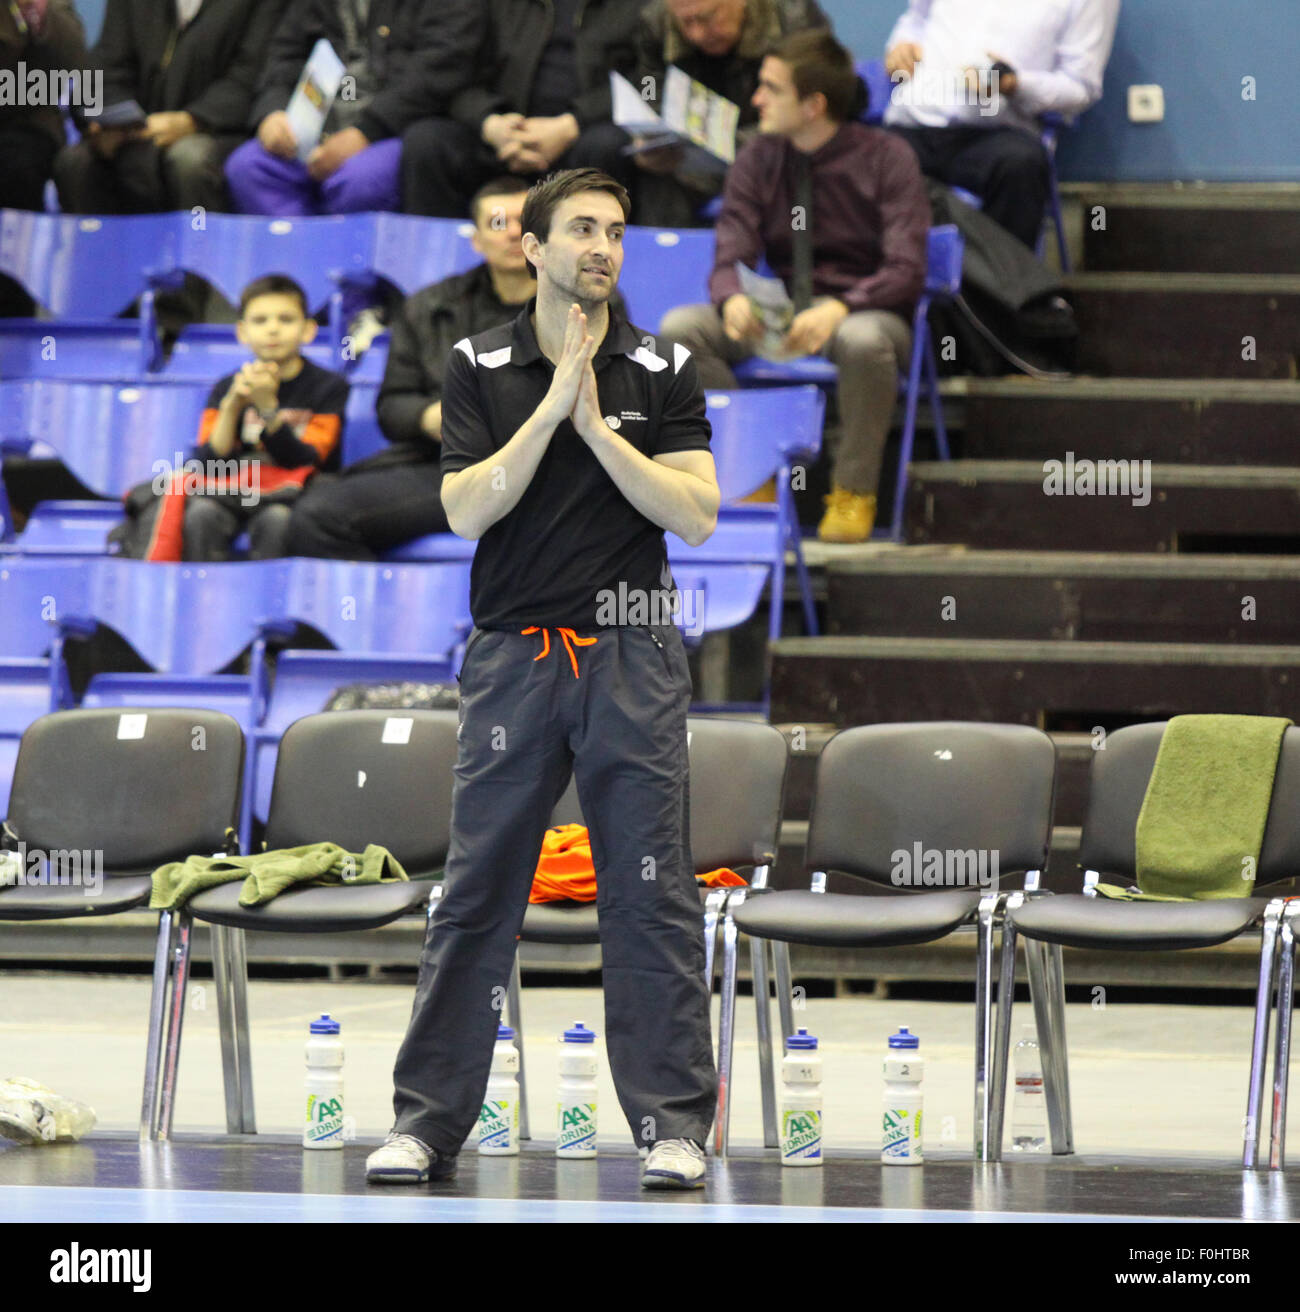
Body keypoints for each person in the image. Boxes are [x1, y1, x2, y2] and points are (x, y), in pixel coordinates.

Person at [365, 167, 721, 1190]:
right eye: (581, 229)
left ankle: (671, 1126)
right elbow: (468, 510)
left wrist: (602, 431)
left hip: (631, 651)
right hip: (515, 655)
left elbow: (695, 515)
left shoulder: (663, 365)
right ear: (532, 246)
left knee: (649, 895)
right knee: (476, 890)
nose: (602, 246)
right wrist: (552, 407)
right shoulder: (476, 360)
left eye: (615, 230)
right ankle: (427, 1123)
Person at [662, 30, 929, 543]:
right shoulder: (757, 157)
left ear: (814, 105)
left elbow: (906, 268)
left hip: (863, 311)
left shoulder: (888, 158)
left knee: (864, 339)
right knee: (681, 329)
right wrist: (732, 297)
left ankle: (854, 492)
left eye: (771, 89)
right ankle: (750, 475)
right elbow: (730, 248)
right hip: (782, 312)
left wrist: (843, 307)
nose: (756, 99)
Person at [286, 178, 538, 559]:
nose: (513, 233)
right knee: (312, 509)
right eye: (498, 223)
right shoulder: (428, 306)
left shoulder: (583, 303)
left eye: (524, 221)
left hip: (543, 472)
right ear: (476, 239)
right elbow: (392, 407)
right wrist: (430, 417)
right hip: (445, 466)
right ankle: (368, 616)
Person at [124, 275, 347, 560]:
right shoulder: (227, 386)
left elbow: (308, 461)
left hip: (294, 496)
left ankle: (270, 604)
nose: (273, 329)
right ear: (242, 332)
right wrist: (231, 408)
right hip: (234, 491)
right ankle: (203, 599)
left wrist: (267, 410)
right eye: (260, 320)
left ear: (308, 330)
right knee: (201, 514)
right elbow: (206, 463)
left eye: (286, 319)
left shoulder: (329, 387)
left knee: (278, 520)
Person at [882, 0, 1120, 249]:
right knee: (860, 155)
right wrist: (901, 46)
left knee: (1021, 165)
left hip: (996, 137)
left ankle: (999, 285)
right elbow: (915, 21)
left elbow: (1080, 87)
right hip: (913, 122)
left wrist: (1014, 84)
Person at [225, 0, 471, 216]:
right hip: (314, 124)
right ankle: (302, 264)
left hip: (393, 128)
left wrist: (367, 131)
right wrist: (272, 112)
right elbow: (285, 55)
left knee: (360, 182)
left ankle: (339, 267)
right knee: (248, 168)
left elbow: (440, 67)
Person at [400, 0, 640, 220]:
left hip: (583, 134)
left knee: (609, 146)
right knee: (426, 142)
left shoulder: (636, 7)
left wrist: (573, 124)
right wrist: (490, 123)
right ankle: (434, 262)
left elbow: (647, 81)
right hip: (499, 132)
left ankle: (597, 258)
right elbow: (451, 71)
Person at [54, 0, 284, 215]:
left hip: (221, 130)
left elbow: (251, 76)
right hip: (138, 130)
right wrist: (110, 123)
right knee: (76, 163)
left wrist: (192, 120)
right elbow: (106, 66)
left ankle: (198, 251)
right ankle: (98, 257)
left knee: (189, 161)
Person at [633, 0, 830, 227]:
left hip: (778, 148)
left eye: (708, 17)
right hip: (694, 160)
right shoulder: (656, 21)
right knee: (652, 175)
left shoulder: (793, 16)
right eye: (685, 22)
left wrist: (732, 143)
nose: (697, 34)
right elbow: (649, 86)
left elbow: (820, 102)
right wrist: (650, 128)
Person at [0, 0, 87, 316]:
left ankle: (11, 316)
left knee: (17, 168)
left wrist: (33, 10)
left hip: (22, 121)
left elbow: (73, 58)